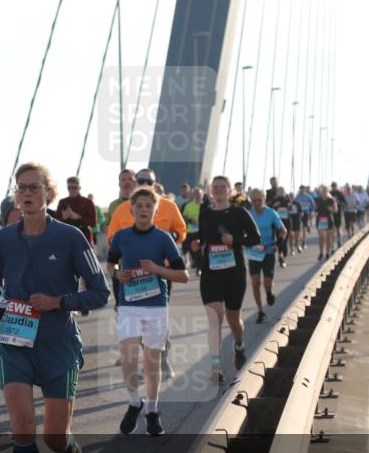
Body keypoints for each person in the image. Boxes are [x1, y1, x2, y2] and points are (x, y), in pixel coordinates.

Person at [0, 162, 110, 453]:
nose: (28, 194)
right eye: (21, 188)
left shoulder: (70, 237)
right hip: (15, 342)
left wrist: (58, 302)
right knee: (21, 429)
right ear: (16, 195)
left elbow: (100, 293)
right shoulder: (2, 240)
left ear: (48, 194)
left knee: (54, 437)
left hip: (58, 343)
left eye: (34, 187)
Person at [107, 187, 189, 436]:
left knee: (152, 362)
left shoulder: (164, 239)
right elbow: (110, 263)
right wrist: (117, 273)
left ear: (156, 210)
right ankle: (135, 402)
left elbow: (183, 275)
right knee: (129, 357)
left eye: (148, 206)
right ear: (131, 210)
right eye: (139, 206)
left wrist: (157, 268)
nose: (143, 209)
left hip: (155, 306)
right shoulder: (121, 237)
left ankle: (152, 411)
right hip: (129, 305)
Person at [190, 175, 261, 380]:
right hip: (211, 272)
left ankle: (239, 345)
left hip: (234, 271)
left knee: (233, 318)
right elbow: (202, 238)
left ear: (230, 191)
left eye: (223, 187)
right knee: (215, 316)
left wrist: (234, 239)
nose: (219, 189)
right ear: (211, 191)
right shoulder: (205, 213)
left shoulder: (239, 213)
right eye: (216, 187)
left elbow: (255, 238)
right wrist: (196, 244)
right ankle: (215, 366)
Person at [247, 189, 287, 324]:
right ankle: (260, 311)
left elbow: (283, 230)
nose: (257, 203)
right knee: (255, 282)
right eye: (254, 200)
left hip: (269, 250)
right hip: (253, 252)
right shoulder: (248, 214)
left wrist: (279, 242)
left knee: (267, 282)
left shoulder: (271, 213)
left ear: (264, 200)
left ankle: (269, 292)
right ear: (250, 200)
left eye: (259, 200)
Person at [56, 176, 98, 244]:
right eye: (69, 188)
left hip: (84, 236)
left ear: (79, 188)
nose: (71, 190)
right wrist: (64, 218)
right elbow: (55, 222)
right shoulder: (62, 202)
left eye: (74, 188)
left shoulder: (88, 202)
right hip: (66, 237)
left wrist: (78, 217)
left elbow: (93, 223)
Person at [268, 186, 294, 266]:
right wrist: (275, 205)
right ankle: (281, 256)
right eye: (279, 191)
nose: (280, 192)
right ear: (277, 192)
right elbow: (269, 210)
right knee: (279, 240)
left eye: (282, 191)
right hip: (277, 223)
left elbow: (291, 209)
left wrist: (290, 203)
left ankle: (283, 256)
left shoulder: (287, 199)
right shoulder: (274, 200)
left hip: (286, 222)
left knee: (284, 240)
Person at [182, 186, 203, 272]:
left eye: (199, 194)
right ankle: (195, 263)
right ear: (193, 195)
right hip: (190, 232)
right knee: (192, 250)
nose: (197, 195)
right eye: (196, 193)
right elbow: (183, 217)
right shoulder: (188, 206)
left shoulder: (205, 206)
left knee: (200, 251)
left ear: (202, 195)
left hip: (201, 231)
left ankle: (199, 268)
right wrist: (189, 220)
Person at [314, 185, 337, 260]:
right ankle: (321, 253)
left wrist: (331, 209)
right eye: (322, 191)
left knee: (328, 238)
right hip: (320, 219)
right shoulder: (317, 199)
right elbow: (314, 208)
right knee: (321, 237)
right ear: (320, 191)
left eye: (325, 191)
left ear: (327, 192)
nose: (323, 192)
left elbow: (336, 210)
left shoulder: (331, 200)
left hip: (329, 219)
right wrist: (315, 209)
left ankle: (327, 253)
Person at [329, 182, 346, 248]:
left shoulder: (340, 193)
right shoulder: (329, 193)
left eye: (334, 186)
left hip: (338, 213)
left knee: (338, 229)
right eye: (332, 186)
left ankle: (339, 241)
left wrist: (339, 203)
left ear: (336, 186)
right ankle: (333, 243)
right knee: (332, 229)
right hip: (331, 213)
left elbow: (345, 203)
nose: (333, 187)